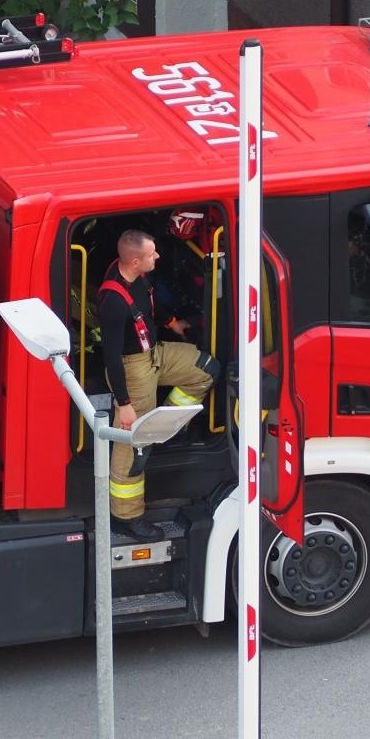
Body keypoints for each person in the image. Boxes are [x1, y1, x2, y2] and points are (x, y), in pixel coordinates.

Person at [97, 228, 218, 539]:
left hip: (154, 353)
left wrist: (171, 323)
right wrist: (124, 405)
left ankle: (163, 426)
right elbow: (111, 357)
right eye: (152, 255)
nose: (158, 257)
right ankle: (126, 516)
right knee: (133, 442)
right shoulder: (113, 302)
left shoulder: (136, 275)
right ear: (136, 261)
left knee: (205, 370)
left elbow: (149, 305)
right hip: (131, 367)